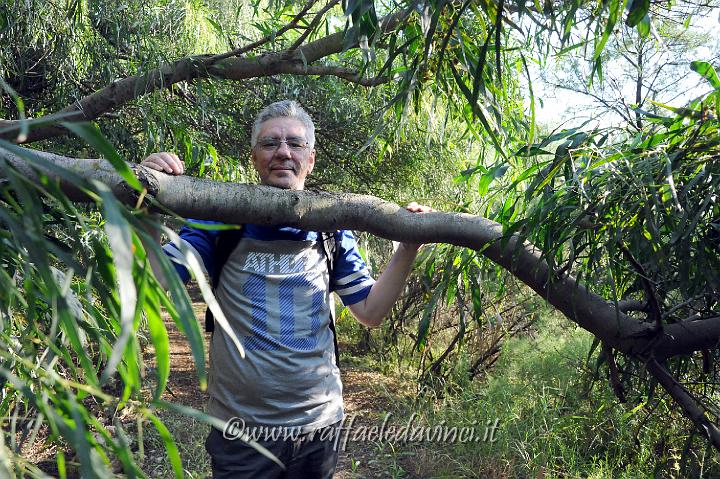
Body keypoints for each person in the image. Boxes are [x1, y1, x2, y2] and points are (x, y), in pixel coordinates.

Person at [141, 100, 431, 478]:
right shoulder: (221, 219)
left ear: (310, 159)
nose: (283, 152)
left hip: (318, 426)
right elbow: (161, 276)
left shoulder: (332, 228)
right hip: (241, 432)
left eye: (295, 144)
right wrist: (145, 201)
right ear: (254, 157)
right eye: (270, 143)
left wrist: (409, 246)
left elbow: (370, 312)